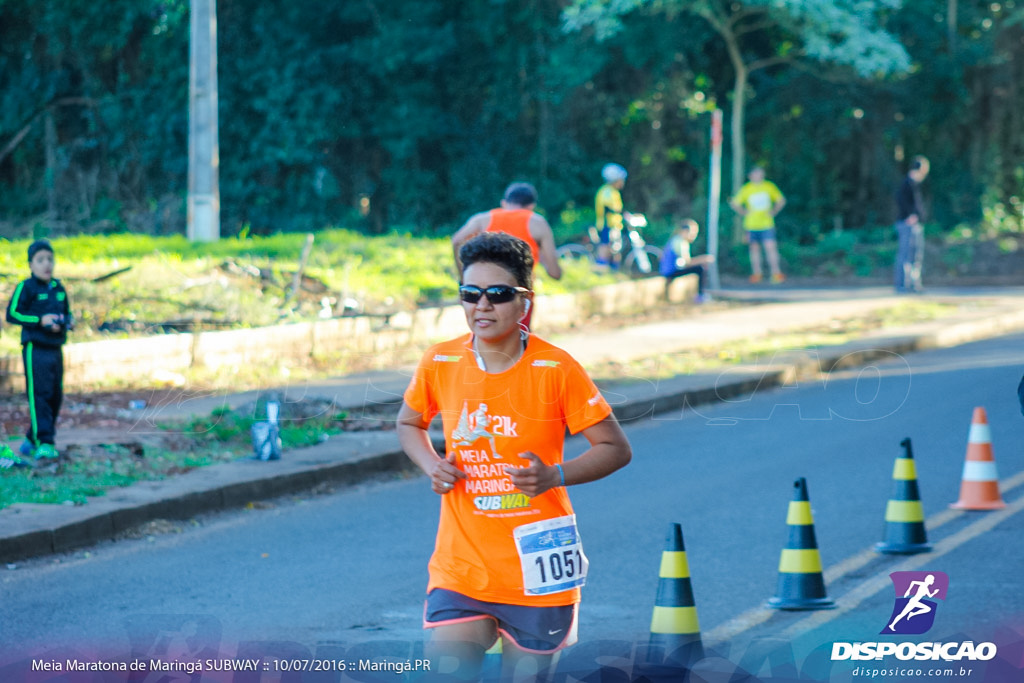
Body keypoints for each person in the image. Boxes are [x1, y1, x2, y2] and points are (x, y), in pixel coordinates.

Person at [397, 232, 632, 682]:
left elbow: (616, 448)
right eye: (470, 294)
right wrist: (433, 464)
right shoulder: (440, 362)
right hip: (460, 568)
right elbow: (409, 424)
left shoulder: (557, 368)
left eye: (498, 294)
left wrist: (555, 475)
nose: (482, 306)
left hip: (537, 570)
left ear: (525, 301)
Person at [452, 182, 562, 329]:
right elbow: (554, 273)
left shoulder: (482, 219)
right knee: (518, 341)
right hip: (515, 294)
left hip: (482, 293)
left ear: (504, 203)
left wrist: (464, 279)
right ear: (531, 206)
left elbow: (456, 241)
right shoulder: (537, 222)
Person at [5, 239, 74, 463]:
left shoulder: (58, 288)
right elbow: (12, 314)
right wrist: (39, 320)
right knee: (40, 396)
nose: (47, 265)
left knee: (55, 396)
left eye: (50, 259)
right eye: (41, 260)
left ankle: (31, 440)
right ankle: (45, 443)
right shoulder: (26, 287)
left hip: (56, 348)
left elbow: (66, 313)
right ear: (31, 264)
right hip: (36, 349)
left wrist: (66, 323)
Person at [729, 166, 786, 283]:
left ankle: (776, 273)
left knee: (770, 248)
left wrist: (773, 211)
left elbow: (781, 200)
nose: (758, 176)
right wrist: (743, 212)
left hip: (766, 224)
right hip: (751, 225)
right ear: (750, 176)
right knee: (754, 249)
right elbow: (734, 203)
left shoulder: (769, 186)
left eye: (760, 174)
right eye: (755, 174)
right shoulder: (746, 189)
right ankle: (757, 273)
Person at [893, 156, 930, 293]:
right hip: (907, 224)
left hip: (915, 224)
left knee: (916, 256)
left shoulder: (914, 183)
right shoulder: (907, 183)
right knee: (906, 255)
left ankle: (914, 284)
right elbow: (900, 199)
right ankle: (903, 285)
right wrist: (910, 215)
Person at [660, 218, 715, 303]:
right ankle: (700, 296)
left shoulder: (679, 240)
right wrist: (703, 259)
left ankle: (701, 294)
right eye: (692, 233)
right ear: (684, 231)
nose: (694, 236)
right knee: (700, 268)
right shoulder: (679, 242)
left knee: (700, 267)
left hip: (672, 269)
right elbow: (687, 263)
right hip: (670, 271)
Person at [595, 163, 630, 268]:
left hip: (615, 225)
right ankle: (601, 269)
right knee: (605, 247)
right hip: (607, 225)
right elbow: (608, 209)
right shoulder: (606, 191)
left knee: (616, 249)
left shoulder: (614, 192)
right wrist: (623, 214)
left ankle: (614, 271)